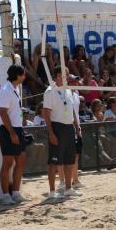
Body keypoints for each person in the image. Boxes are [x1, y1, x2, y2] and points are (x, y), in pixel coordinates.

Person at [42, 67, 80, 199]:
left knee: (69, 159)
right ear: (58, 75)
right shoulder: (50, 91)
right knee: (53, 161)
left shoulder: (68, 90)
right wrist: (51, 133)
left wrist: (77, 126)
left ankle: (68, 188)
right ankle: (52, 192)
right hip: (57, 127)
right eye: (66, 74)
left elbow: (71, 109)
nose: (68, 76)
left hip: (69, 127)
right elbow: (45, 113)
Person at [0, 65, 28, 205]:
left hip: (17, 128)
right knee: (8, 162)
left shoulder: (14, 88)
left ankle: (15, 193)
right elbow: (2, 113)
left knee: (21, 160)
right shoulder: (5, 90)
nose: (25, 77)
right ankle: (5, 195)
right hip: (8, 129)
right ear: (18, 76)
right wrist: (11, 132)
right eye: (23, 74)